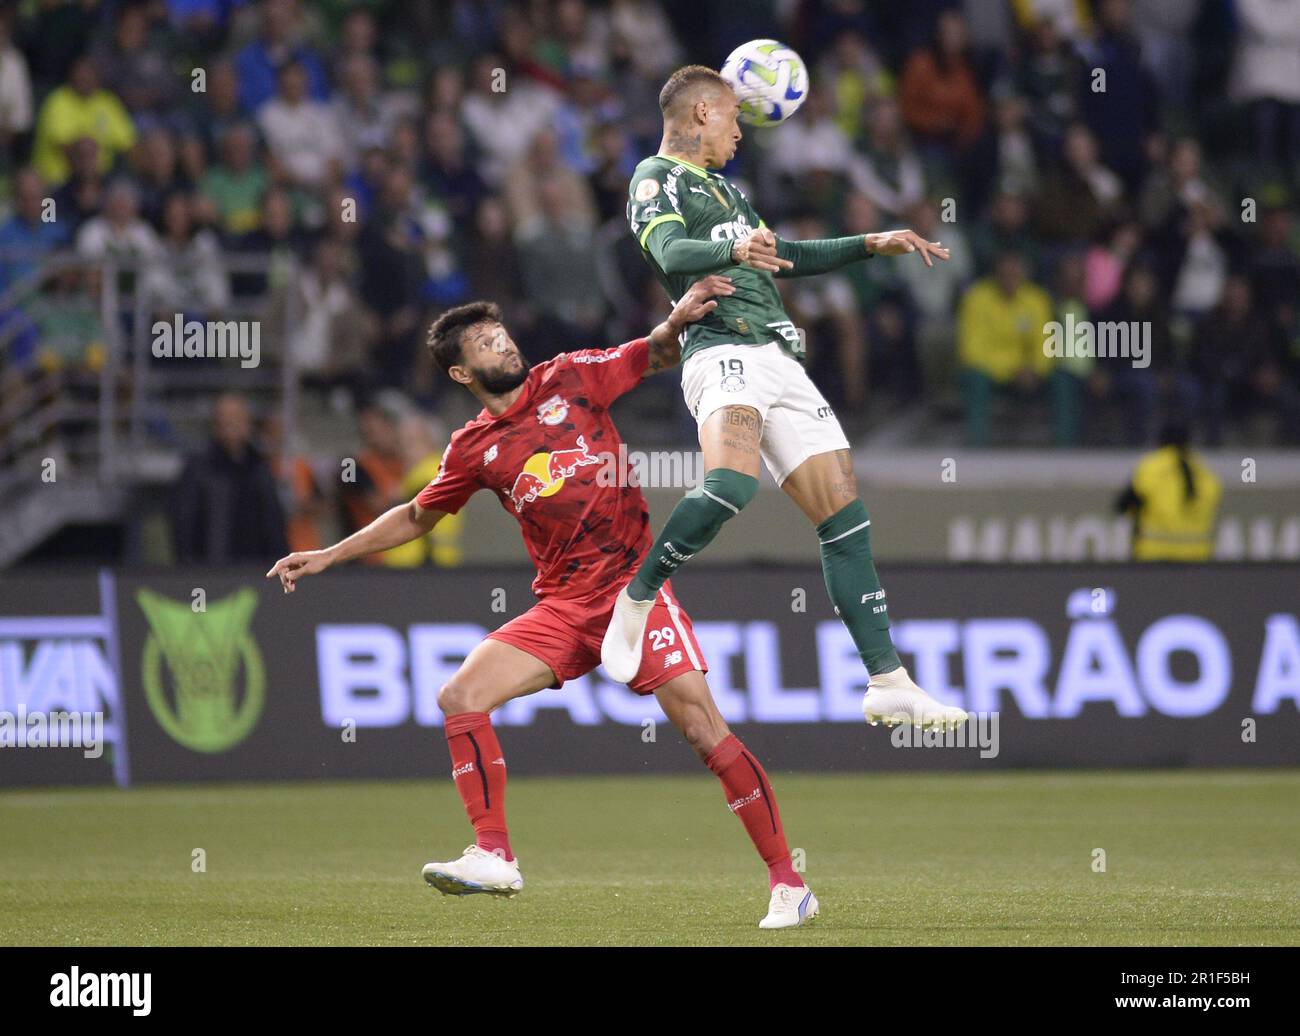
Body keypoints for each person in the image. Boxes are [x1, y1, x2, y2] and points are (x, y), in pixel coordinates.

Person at [266, 277, 823, 930]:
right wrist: (330, 554)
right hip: (562, 607)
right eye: (482, 341)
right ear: (459, 370)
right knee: (459, 698)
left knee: (703, 730)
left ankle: (789, 882)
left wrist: (676, 320)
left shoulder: (573, 378)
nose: (500, 343)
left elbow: (655, 352)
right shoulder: (473, 447)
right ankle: (494, 853)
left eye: (500, 332)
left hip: (631, 594)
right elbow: (419, 516)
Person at [603, 64, 967, 731]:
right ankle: (637, 597)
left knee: (845, 516)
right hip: (722, 347)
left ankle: (887, 681)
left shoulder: (729, 192)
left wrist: (869, 243)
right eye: (736, 118)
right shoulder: (656, 178)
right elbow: (666, 250)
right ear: (703, 113)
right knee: (731, 486)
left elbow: (786, 257)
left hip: (779, 355)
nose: (743, 132)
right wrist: (734, 247)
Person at [1115, 420, 1222, 561]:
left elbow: (1123, 504)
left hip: (1154, 556)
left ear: (1160, 440)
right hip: (1198, 557)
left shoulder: (1152, 467)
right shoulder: (1203, 471)